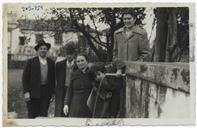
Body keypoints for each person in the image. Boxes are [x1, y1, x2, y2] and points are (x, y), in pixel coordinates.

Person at [22, 39, 55, 118]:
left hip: (46, 93)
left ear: (47, 50)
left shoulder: (51, 62)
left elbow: (53, 79)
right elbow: (25, 78)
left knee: (43, 114)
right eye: (41, 48)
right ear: (37, 50)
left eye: (45, 49)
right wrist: (26, 92)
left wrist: (52, 92)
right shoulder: (31, 62)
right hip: (33, 93)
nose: (43, 50)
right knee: (33, 115)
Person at [63, 53, 92, 118]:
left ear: (87, 61)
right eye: (78, 61)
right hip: (75, 105)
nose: (80, 63)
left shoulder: (92, 73)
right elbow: (69, 90)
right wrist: (66, 104)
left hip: (88, 105)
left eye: (82, 60)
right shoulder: (74, 74)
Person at [54, 43, 76, 117]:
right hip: (62, 89)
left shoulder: (77, 64)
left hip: (73, 89)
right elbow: (56, 78)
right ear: (65, 54)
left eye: (71, 54)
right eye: (68, 54)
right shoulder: (59, 65)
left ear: (74, 54)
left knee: (71, 108)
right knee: (60, 109)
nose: (69, 56)